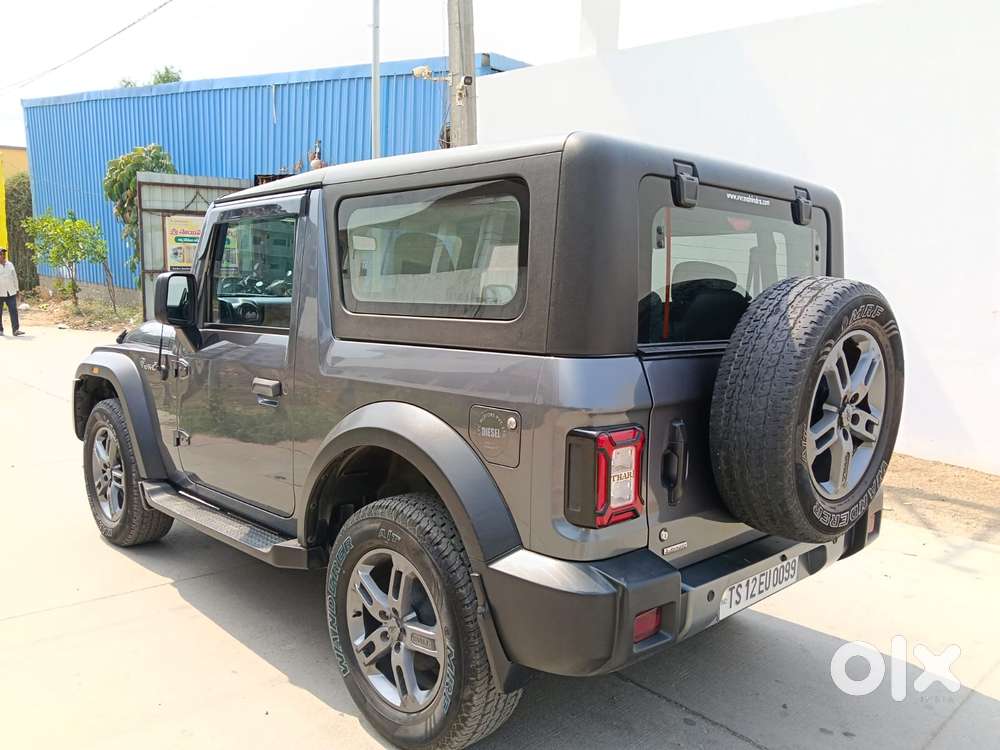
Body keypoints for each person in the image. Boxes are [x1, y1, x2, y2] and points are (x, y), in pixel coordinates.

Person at [0, 247, 24, 336]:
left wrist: (17, 290)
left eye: (3, 254)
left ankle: (15, 330)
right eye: (1, 254)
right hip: (0, 292)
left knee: (13, 310)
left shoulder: (10, 264)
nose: (3, 255)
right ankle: (0, 330)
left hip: (11, 292)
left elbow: (14, 277)